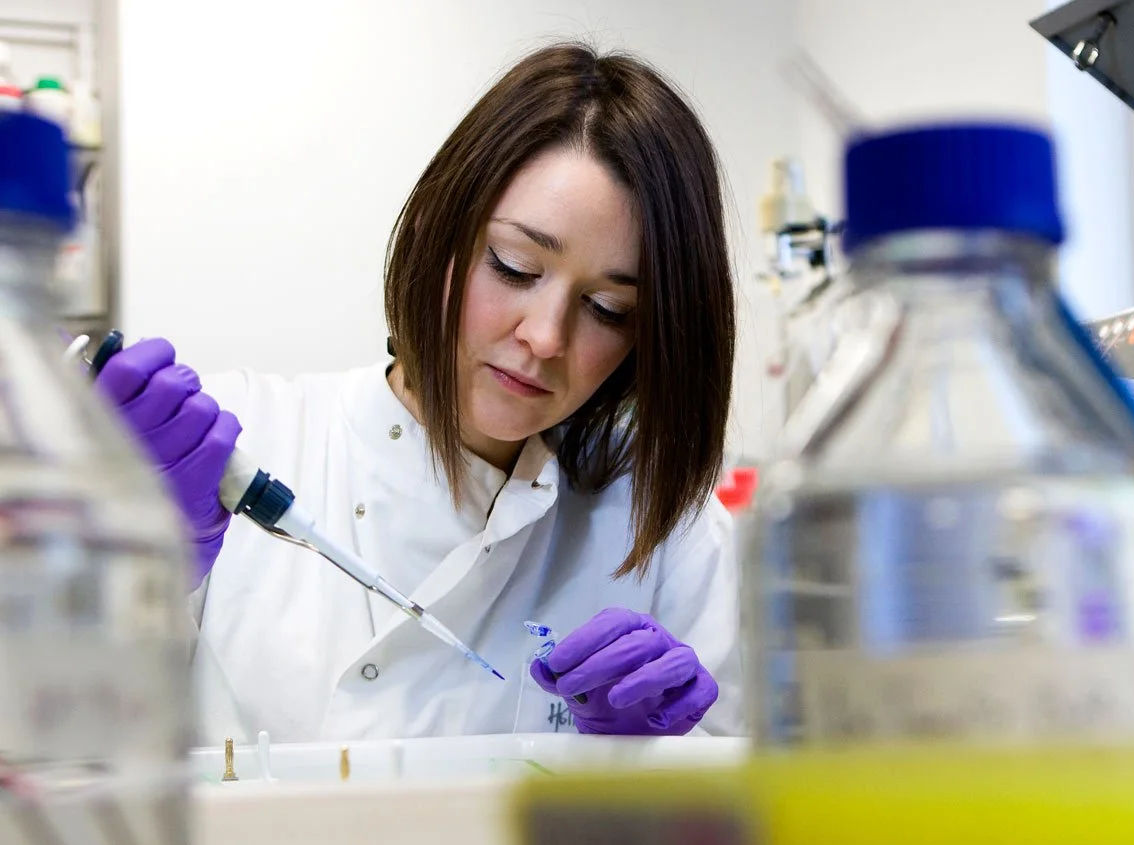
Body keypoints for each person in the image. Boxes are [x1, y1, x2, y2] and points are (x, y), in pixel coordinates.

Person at [98, 43, 741, 742]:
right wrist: (136, 566)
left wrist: (657, 765)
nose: (547, 336)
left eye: (610, 309)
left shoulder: (665, 524)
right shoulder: (236, 445)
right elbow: (54, 747)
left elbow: (744, 811)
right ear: (442, 233)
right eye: (515, 266)